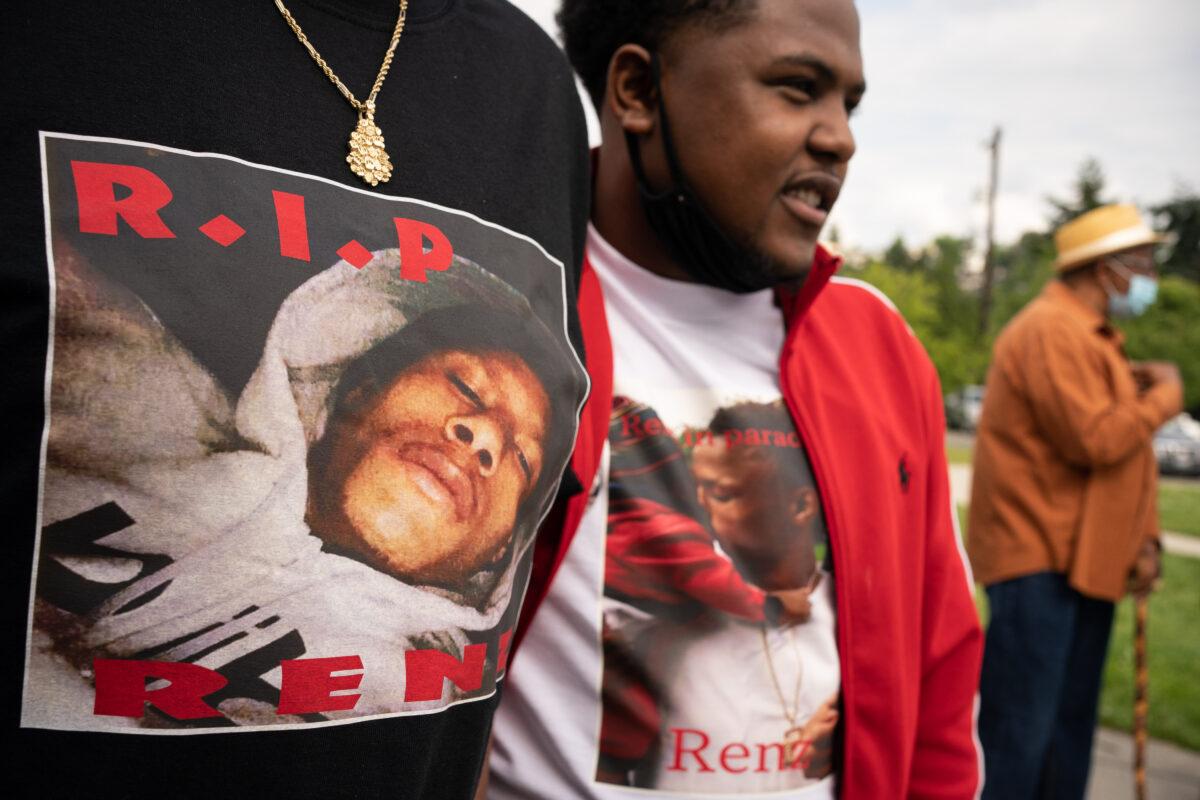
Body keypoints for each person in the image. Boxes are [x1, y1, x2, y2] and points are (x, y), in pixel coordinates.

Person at [3, 2, 590, 796]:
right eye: (463, 383)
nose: (484, 436)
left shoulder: (534, 87)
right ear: (357, 382)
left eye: (519, 455)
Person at [488, 0, 983, 797]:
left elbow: (941, 684)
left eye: (848, 103)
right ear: (639, 91)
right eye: (797, 88)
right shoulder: (497, 316)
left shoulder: (878, 349)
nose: (840, 138)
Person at [968, 203, 1184, 799]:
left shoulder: (1095, 338)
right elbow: (1098, 440)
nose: (1148, 276)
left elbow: (1127, 460)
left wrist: (1144, 541)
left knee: (1067, 731)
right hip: (1036, 558)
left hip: (1084, 559)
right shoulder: (1049, 331)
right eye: (1142, 263)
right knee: (1020, 734)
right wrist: (1167, 397)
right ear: (1105, 268)